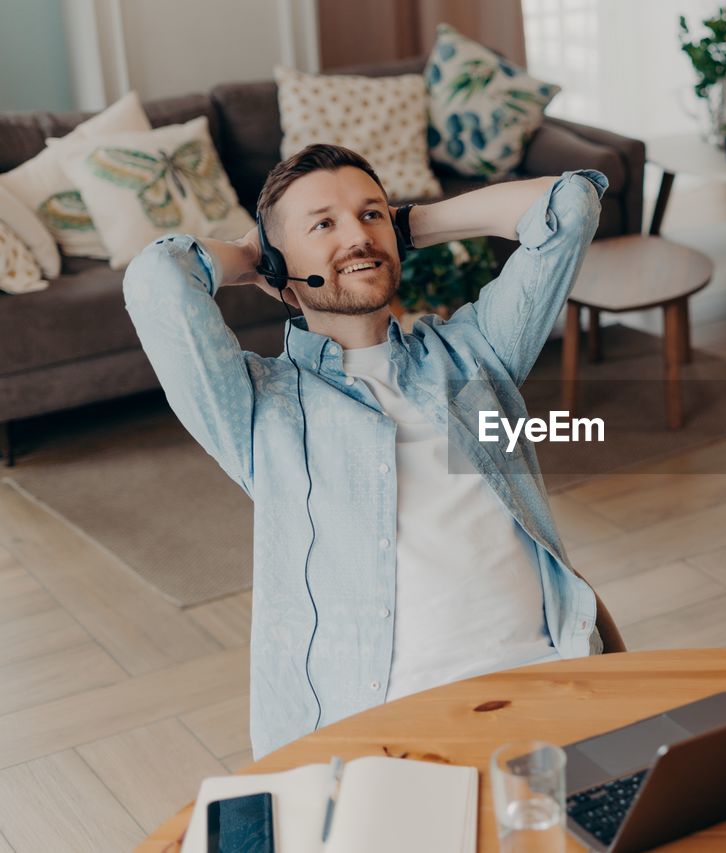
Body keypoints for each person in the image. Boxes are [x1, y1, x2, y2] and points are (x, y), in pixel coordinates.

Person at [124, 144, 622, 759]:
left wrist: (404, 226)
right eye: (322, 224)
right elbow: (156, 280)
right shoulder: (260, 407)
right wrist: (256, 256)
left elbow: (570, 205)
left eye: (369, 214)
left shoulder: (473, 355)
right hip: (387, 729)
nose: (356, 236)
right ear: (281, 264)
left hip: (550, 686)